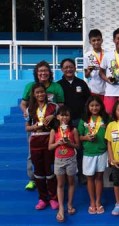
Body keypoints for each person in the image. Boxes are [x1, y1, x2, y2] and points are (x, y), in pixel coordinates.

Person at [20, 61, 64, 190]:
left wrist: (53, 116)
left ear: (49, 73)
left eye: (45, 71)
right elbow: (23, 104)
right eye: (40, 71)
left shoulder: (56, 87)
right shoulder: (30, 86)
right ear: (36, 73)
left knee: (52, 152)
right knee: (32, 154)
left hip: (51, 127)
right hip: (35, 128)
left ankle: (54, 177)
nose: (43, 73)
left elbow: (61, 107)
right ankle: (33, 179)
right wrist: (28, 114)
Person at [25, 83, 58, 210]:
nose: (40, 94)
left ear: (46, 93)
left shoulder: (54, 107)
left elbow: (64, 118)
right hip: (35, 140)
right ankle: (42, 198)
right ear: (34, 94)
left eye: (42, 92)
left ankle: (53, 198)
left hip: (49, 138)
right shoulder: (30, 109)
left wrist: (53, 116)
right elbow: (27, 127)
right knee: (38, 171)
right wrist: (35, 127)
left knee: (50, 169)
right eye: (37, 92)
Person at [57, 58, 91, 185]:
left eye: (71, 66)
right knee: (65, 147)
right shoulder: (59, 84)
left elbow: (88, 101)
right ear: (62, 69)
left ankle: (82, 174)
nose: (68, 69)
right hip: (65, 122)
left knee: (80, 148)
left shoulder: (81, 83)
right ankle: (65, 175)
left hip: (80, 121)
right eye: (65, 67)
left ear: (75, 68)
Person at [77, 96, 109, 214]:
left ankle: (98, 202)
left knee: (99, 177)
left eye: (97, 105)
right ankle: (92, 201)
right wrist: (86, 137)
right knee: (90, 178)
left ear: (101, 106)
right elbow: (78, 136)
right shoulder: (84, 120)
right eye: (92, 106)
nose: (94, 108)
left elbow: (111, 134)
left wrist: (107, 129)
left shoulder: (106, 118)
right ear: (88, 107)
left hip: (101, 151)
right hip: (88, 153)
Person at [48, 106, 80, 222]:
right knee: (60, 184)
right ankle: (61, 207)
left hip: (71, 159)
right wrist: (57, 143)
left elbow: (78, 146)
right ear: (57, 117)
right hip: (58, 160)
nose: (64, 117)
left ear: (70, 117)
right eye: (62, 115)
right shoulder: (54, 130)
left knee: (71, 183)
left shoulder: (73, 130)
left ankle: (70, 204)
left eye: (66, 115)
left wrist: (70, 144)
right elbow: (50, 147)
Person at [84, 29, 106, 100]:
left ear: (102, 40)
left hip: (107, 89)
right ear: (90, 42)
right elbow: (86, 75)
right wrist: (89, 71)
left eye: (98, 40)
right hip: (93, 89)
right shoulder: (87, 55)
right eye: (93, 40)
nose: (96, 42)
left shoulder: (108, 54)